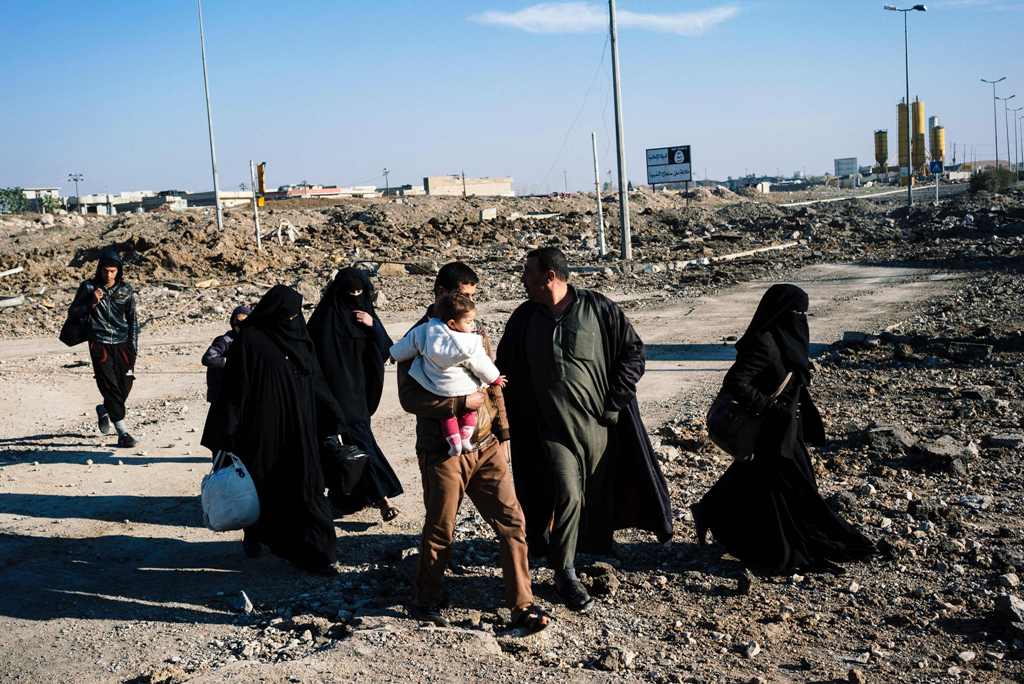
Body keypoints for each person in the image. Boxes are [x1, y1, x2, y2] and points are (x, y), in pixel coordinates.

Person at [497, 247, 673, 613]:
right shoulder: (524, 318)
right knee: (568, 493)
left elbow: (633, 353)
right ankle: (564, 573)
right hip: (549, 431)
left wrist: (614, 403)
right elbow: (504, 370)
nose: (523, 280)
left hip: (599, 427)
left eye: (528, 273)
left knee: (597, 496)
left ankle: (590, 549)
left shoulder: (599, 309)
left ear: (550, 277)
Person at [397, 262, 548, 632]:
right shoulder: (420, 339)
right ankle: (426, 598)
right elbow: (409, 397)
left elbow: (491, 381)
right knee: (441, 528)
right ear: (441, 294)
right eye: (463, 295)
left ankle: (522, 604)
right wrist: (459, 405)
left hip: (487, 445)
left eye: (472, 297)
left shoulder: (471, 330)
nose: (469, 303)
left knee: (513, 522)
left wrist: (504, 431)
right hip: (444, 451)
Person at [690, 284, 875, 576]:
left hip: (789, 429)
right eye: (796, 312)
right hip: (769, 431)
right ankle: (784, 550)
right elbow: (736, 382)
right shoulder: (763, 342)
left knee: (759, 481)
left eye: (804, 312)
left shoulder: (786, 339)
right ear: (780, 312)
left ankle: (710, 512)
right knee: (792, 489)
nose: (801, 318)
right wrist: (771, 407)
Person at [209, 284, 341, 574]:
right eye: (288, 314)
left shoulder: (300, 339)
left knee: (309, 491)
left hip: (302, 433)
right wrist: (226, 434)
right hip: (262, 436)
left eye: (297, 314)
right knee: (267, 491)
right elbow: (234, 391)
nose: (293, 319)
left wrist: (333, 419)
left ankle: (320, 554)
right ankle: (264, 540)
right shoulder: (251, 342)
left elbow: (316, 383)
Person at [307, 267, 403, 522]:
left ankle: (351, 498)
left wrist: (373, 327)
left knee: (353, 444)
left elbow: (387, 351)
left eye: (360, 293)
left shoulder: (367, 316)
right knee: (350, 443)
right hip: (331, 395)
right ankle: (381, 497)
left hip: (358, 393)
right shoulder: (324, 318)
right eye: (350, 293)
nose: (355, 298)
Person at [390, 293, 507, 456]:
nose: (472, 324)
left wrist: (394, 354)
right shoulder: (468, 342)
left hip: (437, 385)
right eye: (468, 321)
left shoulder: (424, 330)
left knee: (447, 416)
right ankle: (465, 437)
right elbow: (481, 364)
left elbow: (407, 344)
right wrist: (494, 378)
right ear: (452, 322)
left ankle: (454, 442)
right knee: (469, 411)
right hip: (463, 387)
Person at [68, 247, 140, 448]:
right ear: (100, 269)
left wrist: (134, 347)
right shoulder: (88, 288)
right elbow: (73, 313)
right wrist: (91, 301)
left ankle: (105, 409)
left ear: (119, 271)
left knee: (125, 385)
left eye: (113, 271)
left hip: (123, 343)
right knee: (109, 385)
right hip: (99, 343)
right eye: (105, 271)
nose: (109, 275)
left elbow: (133, 320)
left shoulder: (126, 290)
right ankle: (123, 433)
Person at [199, 305, 251, 456]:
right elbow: (209, 358)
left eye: (244, 323)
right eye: (237, 322)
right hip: (222, 396)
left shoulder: (248, 340)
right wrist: (231, 363)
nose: (240, 326)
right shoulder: (226, 340)